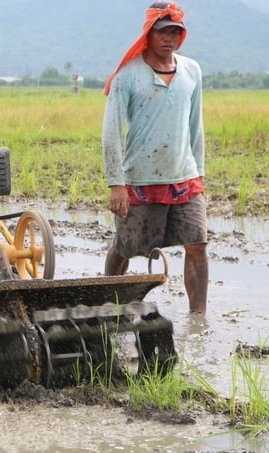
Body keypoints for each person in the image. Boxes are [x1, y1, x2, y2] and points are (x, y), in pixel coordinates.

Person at [101, 1, 209, 314]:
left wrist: (198, 174)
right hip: (140, 179)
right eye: (163, 31)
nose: (169, 37)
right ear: (149, 33)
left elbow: (195, 126)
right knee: (125, 247)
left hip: (184, 179)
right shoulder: (128, 75)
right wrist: (116, 183)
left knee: (198, 245)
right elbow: (111, 132)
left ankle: (198, 319)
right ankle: (110, 306)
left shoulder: (192, 71)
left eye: (176, 31)